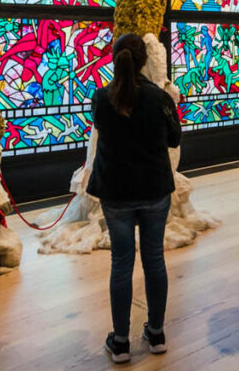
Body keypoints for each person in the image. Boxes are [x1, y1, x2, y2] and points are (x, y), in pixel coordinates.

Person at [86, 33, 181, 362]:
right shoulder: (160, 98)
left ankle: (121, 342)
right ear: (145, 61)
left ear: (115, 59)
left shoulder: (101, 98)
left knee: (121, 264)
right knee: (154, 260)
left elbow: (102, 129)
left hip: (116, 193)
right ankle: (156, 334)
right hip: (154, 190)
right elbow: (174, 139)